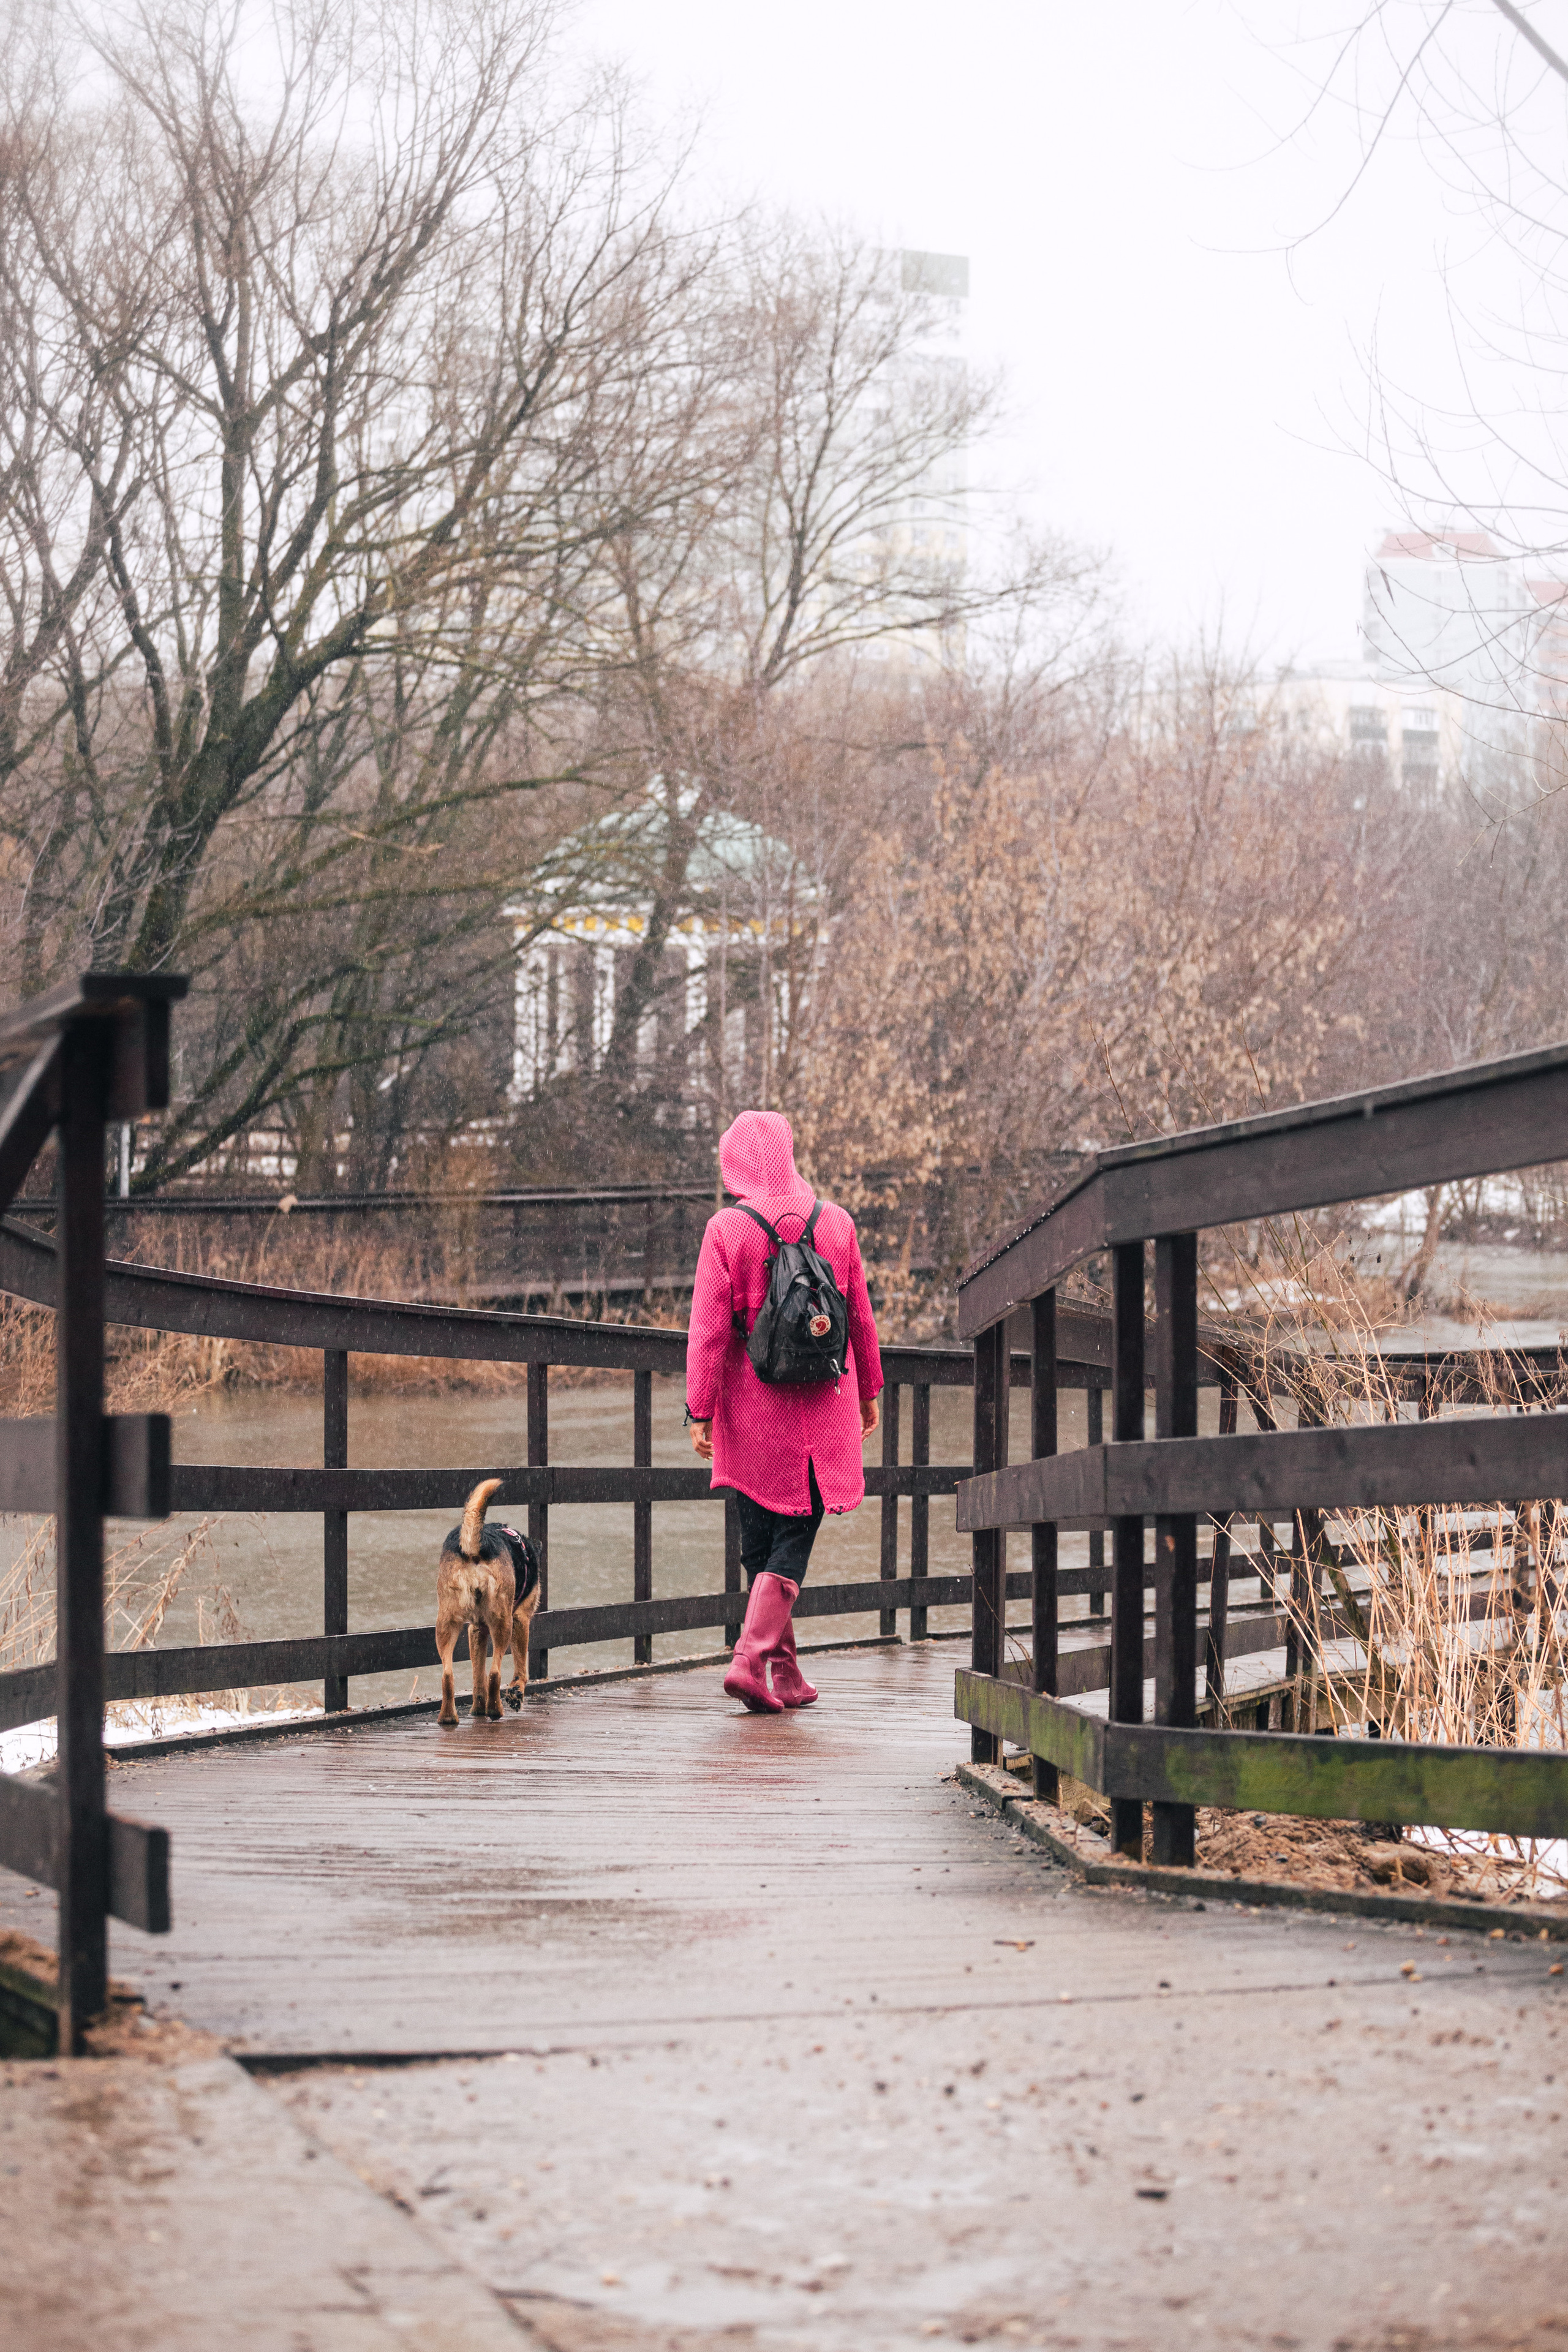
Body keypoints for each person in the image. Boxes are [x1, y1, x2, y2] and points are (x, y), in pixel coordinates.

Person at [685, 1109, 883, 1713]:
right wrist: (870, 1391)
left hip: (752, 1411)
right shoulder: (837, 1223)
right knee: (792, 1534)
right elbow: (862, 1321)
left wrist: (700, 1408)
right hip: (825, 1404)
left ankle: (767, 1665)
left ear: (735, 1161)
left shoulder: (727, 1228)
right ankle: (760, 1663)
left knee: (764, 1537)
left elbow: (709, 1331)